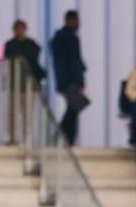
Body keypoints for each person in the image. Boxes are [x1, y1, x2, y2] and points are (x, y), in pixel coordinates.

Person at [50, 10, 87, 145]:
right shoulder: (69, 38)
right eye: (76, 20)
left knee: (73, 109)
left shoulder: (60, 37)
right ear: (69, 21)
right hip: (71, 81)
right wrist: (80, 81)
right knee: (73, 109)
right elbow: (73, 62)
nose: (78, 24)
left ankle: (62, 138)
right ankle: (64, 138)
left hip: (66, 80)